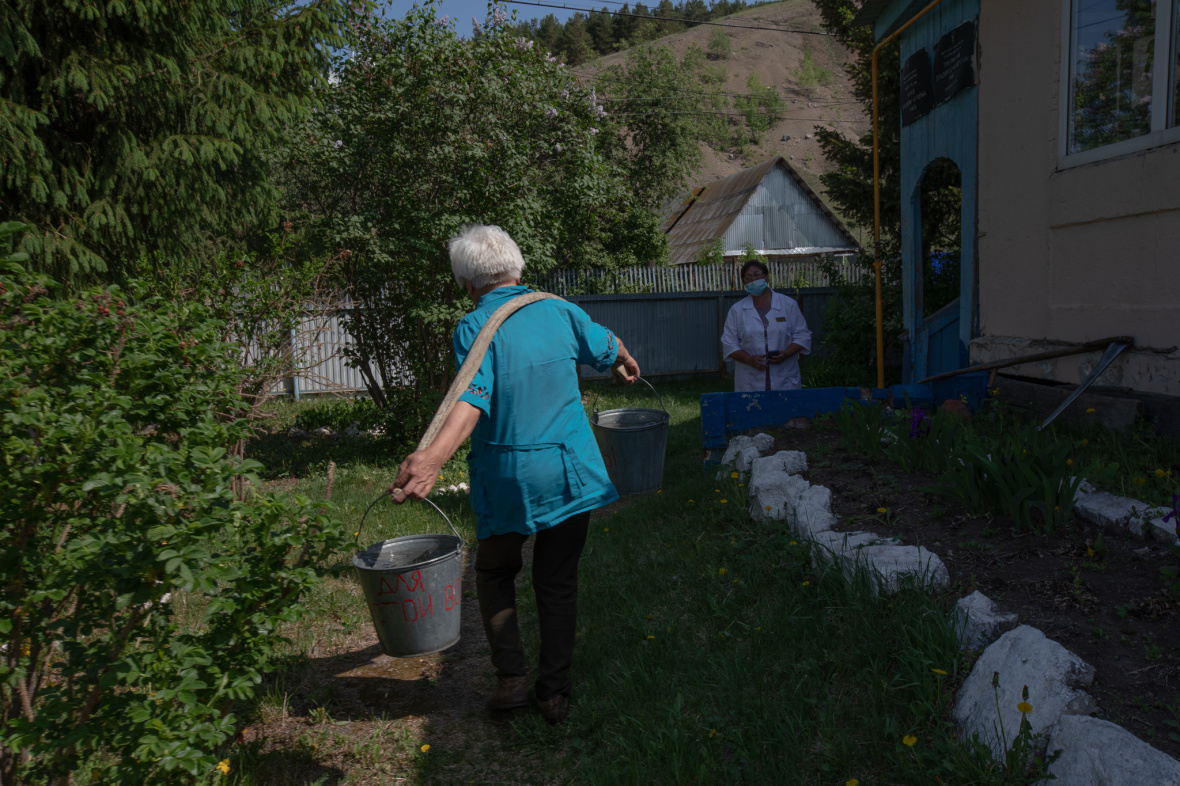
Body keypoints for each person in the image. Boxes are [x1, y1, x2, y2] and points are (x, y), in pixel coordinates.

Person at [389, 224, 641, 726]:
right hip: (569, 473)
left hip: (508, 477)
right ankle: (553, 694)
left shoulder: (473, 327)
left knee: (495, 572)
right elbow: (605, 344)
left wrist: (434, 457)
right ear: (517, 266)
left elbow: (472, 398)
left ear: (467, 282)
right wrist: (624, 359)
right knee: (557, 580)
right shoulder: (561, 310)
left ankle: (511, 682)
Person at [720, 259, 812, 392]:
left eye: (757, 274)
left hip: (784, 378)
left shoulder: (788, 305)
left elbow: (803, 336)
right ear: (744, 283)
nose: (753, 280)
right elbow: (729, 344)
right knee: (752, 405)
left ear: (766, 277)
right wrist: (749, 359)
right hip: (750, 381)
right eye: (748, 278)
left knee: (785, 405)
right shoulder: (737, 310)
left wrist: (786, 353)